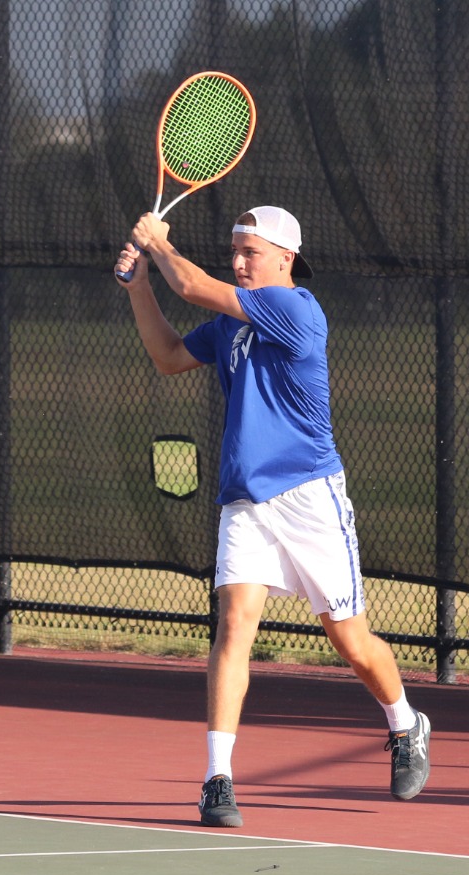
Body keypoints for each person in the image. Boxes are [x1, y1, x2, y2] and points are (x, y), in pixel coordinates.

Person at [115, 205, 431, 828]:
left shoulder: (296, 310)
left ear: (285, 258)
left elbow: (194, 285)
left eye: (249, 252)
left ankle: (404, 723)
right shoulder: (233, 327)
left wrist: (158, 248)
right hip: (245, 500)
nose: (238, 261)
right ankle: (217, 779)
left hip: (311, 495)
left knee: (350, 640)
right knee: (234, 628)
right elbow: (171, 356)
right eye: (234, 251)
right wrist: (139, 288)